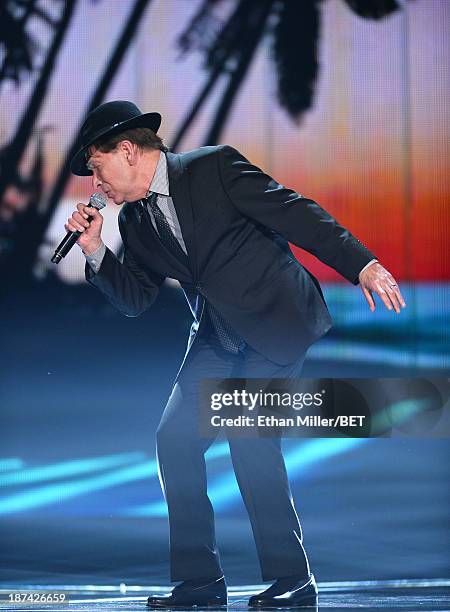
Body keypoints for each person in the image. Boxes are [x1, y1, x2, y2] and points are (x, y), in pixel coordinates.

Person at [67, 101, 406, 609]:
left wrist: (362, 264)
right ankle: (200, 583)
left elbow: (296, 212)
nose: (95, 181)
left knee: (250, 439)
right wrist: (95, 248)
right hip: (217, 336)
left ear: (128, 151)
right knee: (175, 440)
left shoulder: (214, 167)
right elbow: (136, 299)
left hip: (277, 320)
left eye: (96, 166)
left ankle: (293, 581)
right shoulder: (135, 222)